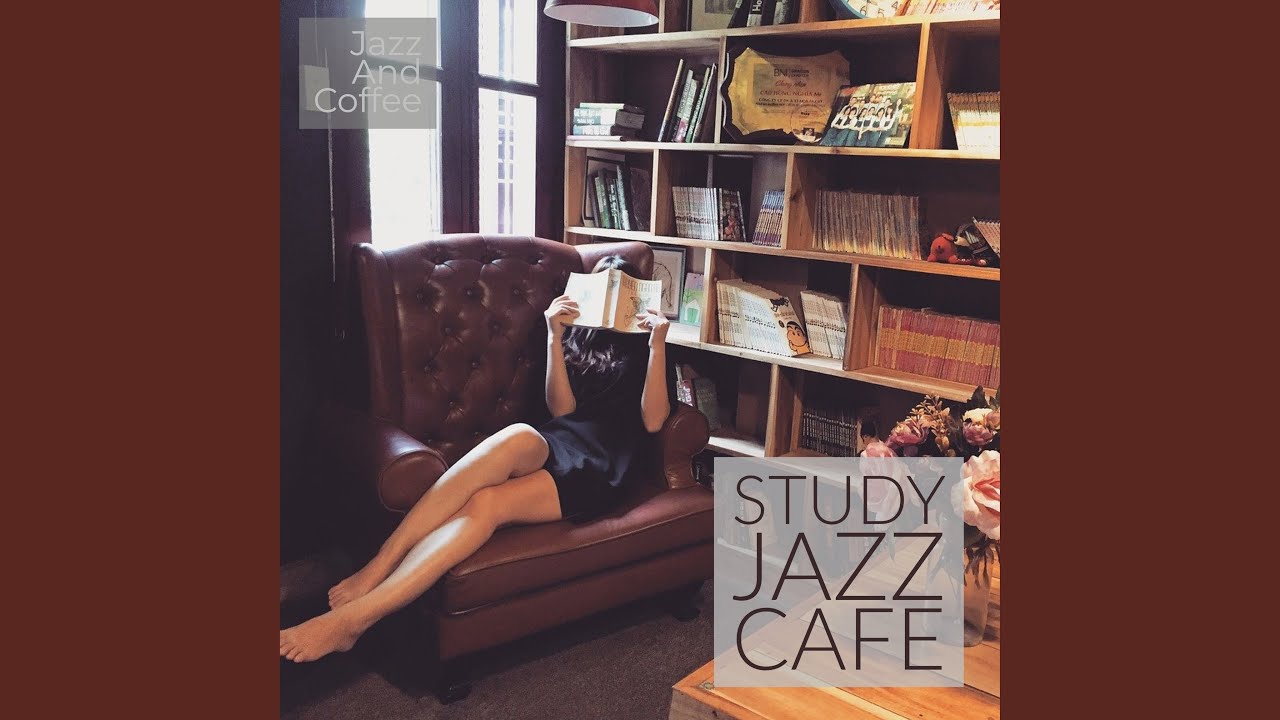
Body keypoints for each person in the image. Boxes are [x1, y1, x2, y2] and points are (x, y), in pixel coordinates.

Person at [280, 255, 674, 663]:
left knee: (487, 504)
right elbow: (562, 411)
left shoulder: (649, 343)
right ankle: (380, 564)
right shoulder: (576, 335)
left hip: (601, 463)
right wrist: (554, 335)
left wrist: (657, 346)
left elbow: (653, 420)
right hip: (561, 439)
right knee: (519, 435)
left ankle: (355, 620)